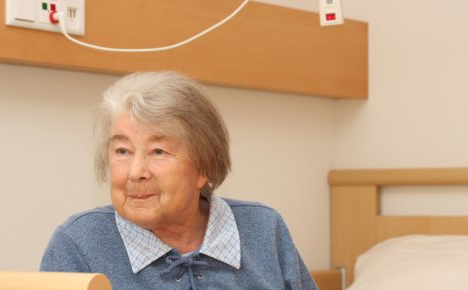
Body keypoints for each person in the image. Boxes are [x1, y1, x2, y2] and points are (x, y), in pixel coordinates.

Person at [40, 71, 318, 290]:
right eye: (122, 151)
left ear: (204, 166)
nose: (136, 171)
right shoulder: (78, 244)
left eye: (158, 151)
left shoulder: (264, 230)